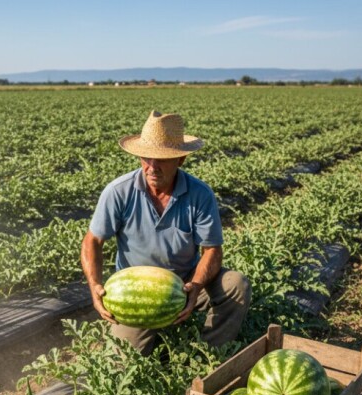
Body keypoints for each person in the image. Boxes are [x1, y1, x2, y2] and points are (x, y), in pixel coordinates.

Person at [81, 110, 251, 355]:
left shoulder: (200, 194)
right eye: (146, 158)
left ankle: (208, 356)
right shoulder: (118, 191)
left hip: (185, 283)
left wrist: (195, 286)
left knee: (236, 285)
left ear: (180, 160)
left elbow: (212, 251)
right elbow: (92, 241)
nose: (152, 167)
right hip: (136, 290)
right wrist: (95, 286)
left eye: (161, 160)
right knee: (120, 363)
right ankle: (156, 335)